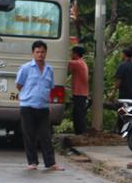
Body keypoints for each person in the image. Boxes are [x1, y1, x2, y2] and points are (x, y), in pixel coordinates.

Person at [15, 40, 63, 171]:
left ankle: (50, 163)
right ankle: (32, 162)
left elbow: (50, 87)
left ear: (46, 53)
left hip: (43, 107)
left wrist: (48, 103)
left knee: (45, 135)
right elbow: (19, 85)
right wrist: (28, 95)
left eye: (42, 52)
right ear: (33, 53)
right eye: (37, 52)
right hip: (28, 106)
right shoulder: (25, 68)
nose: (40, 54)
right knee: (29, 135)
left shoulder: (49, 69)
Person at [114, 45, 132, 132]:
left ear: (124, 55)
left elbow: (118, 82)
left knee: (122, 113)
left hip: (124, 95)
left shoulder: (122, 66)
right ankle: (130, 131)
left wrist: (112, 93)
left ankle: (121, 132)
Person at [67, 45, 89, 135]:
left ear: (75, 53)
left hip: (79, 93)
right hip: (81, 93)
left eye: (72, 52)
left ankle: (81, 132)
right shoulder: (81, 63)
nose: (71, 54)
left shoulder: (78, 63)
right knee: (78, 113)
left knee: (78, 114)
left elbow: (65, 62)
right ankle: (79, 132)